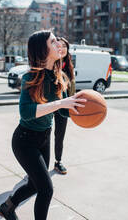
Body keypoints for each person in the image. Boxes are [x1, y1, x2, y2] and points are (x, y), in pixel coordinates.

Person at [0, 30, 86, 220]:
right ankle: (8, 208)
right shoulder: (30, 78)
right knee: (46, 190)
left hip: (44, 138)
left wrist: (76, 109)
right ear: (42, 50)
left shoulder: (58, 76)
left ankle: (8, 207)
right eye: (53, 41)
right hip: (25, 141)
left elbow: (60, 111)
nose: (59, 44)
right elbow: (26, 112)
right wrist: (62, 103)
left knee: (36, 185)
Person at [53, 37, 75, 175]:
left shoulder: (69, 67)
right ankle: (39, 164)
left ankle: (58, 161)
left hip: (63, 106)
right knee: (44, 134)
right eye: (58, 46)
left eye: (64, 46)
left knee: (59, 135)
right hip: (50, 104)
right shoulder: (51, 64)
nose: (61, 49)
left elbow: (72, 89)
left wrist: (73, 105)